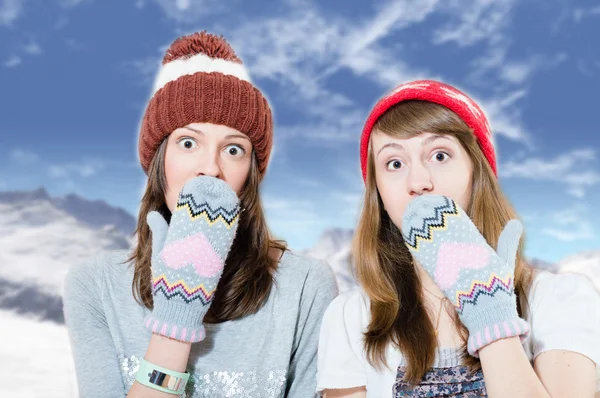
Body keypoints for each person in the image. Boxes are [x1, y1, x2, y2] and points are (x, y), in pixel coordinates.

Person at [63, 31, 338, 398]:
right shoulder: (95, 285)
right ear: (159, 161)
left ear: (252, 174)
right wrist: (176, 318)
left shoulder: (306, 286)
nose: (210, 168)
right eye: (188, 143)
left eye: (234, 149)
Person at [316, 80, 600, 397]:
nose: (418, 182)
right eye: (394, 163)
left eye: (439, 155)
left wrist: (491, 317)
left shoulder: (559, 297)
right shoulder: (350, 317)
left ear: (476, 171)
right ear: (378, 192)